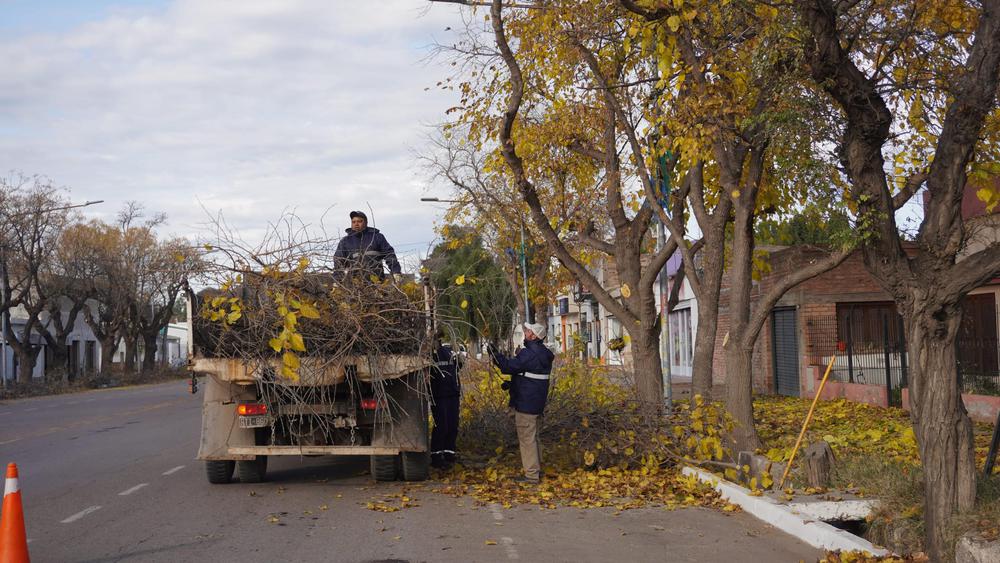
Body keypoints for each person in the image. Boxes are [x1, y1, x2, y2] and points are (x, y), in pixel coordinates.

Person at [488, 322, 554, 484]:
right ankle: (537, 470)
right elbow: (531, 375)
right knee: (534, 437)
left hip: (526, 403)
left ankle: (531, 475)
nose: (525, 332)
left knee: (527, 439)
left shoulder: (529, 353)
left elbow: (508, 366)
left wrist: (495, 355)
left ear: (534, 336)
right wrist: (514, 384)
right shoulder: (544, 353)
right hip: (536, 402)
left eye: (528, 330)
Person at [333, 210, 402, 281]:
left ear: (366, 223)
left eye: (359, 221)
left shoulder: (377, 237)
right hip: (354, 284)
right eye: (353, 222)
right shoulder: (345, 241)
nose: (356, 224)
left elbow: (389, 255)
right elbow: (338, 262)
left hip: (377, 282)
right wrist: (337, 281)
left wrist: (396, 272)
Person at [430, 331, 462, 469]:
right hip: (439, 395)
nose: (438, 342)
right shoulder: (430, 355)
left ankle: (449, 454)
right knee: (441, 426)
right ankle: (437, 457)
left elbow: (457, 368)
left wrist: (460, 358)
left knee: (452, 425)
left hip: (452, 394)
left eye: (438, 339)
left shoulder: (449, 352)